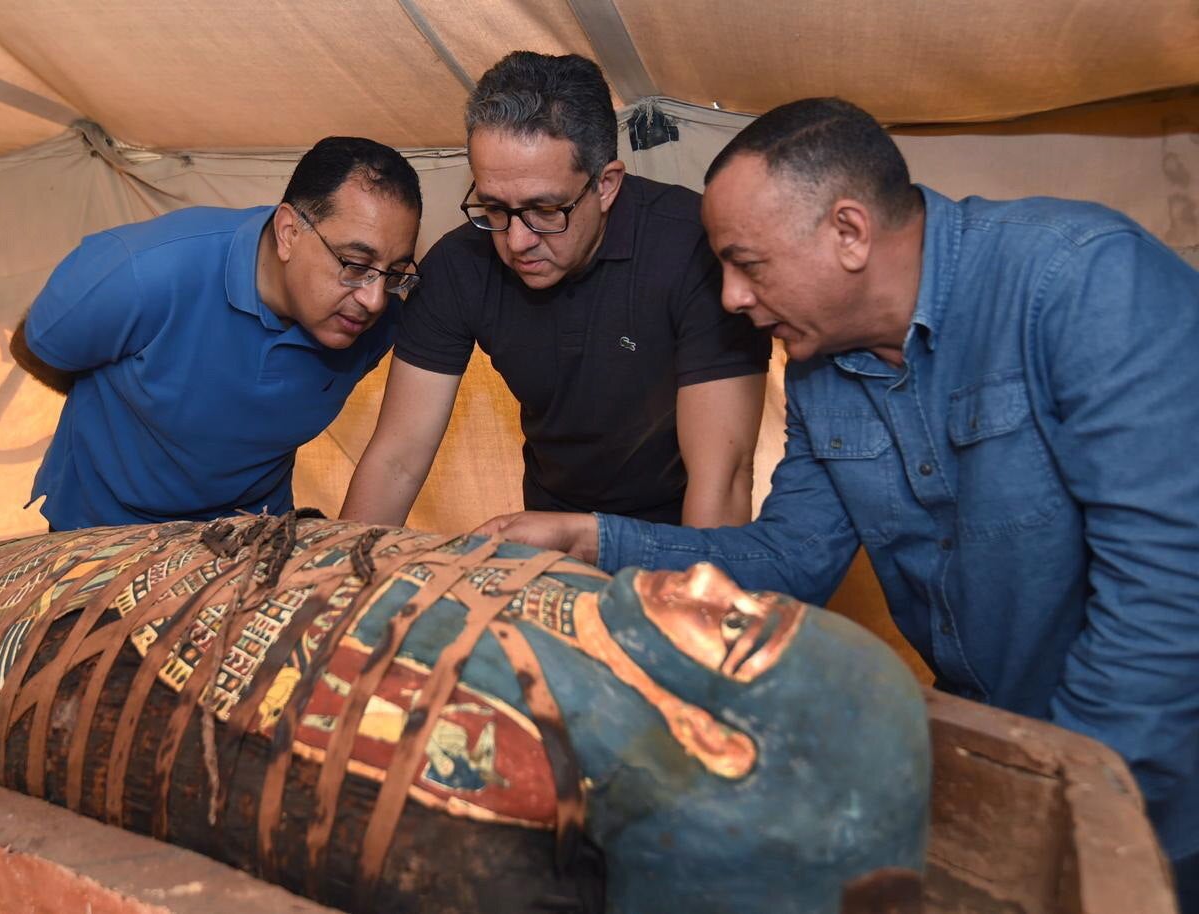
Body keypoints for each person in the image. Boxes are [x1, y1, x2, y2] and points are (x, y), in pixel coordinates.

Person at [477, 98, 1199, 912]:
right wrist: (594, 538)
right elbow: (789, 562)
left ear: (849, 232)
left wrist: (1059, 800)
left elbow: (1171, 597)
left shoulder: (1081, 281)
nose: (732, 299)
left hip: (1148, 788)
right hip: (1006, 768)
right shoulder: (821, 374)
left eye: (747, 263)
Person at [339, 51, 770, 528]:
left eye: (546, 210)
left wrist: (693, 597)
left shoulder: (694, 249)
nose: (517, 241)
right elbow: (398, 457)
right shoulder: (459, 266)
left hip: (678, 522)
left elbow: (725, 476)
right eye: (494, 208)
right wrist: (339, 584)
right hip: (550, 519)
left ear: (606, 185)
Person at [12, 137, 422, 531]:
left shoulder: (378, 319)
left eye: (393, 272)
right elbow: (39, 350)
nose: (373, 299)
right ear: (288, 233)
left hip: (248, 537)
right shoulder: (143, 272)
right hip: (101, 531)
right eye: (354, 263)